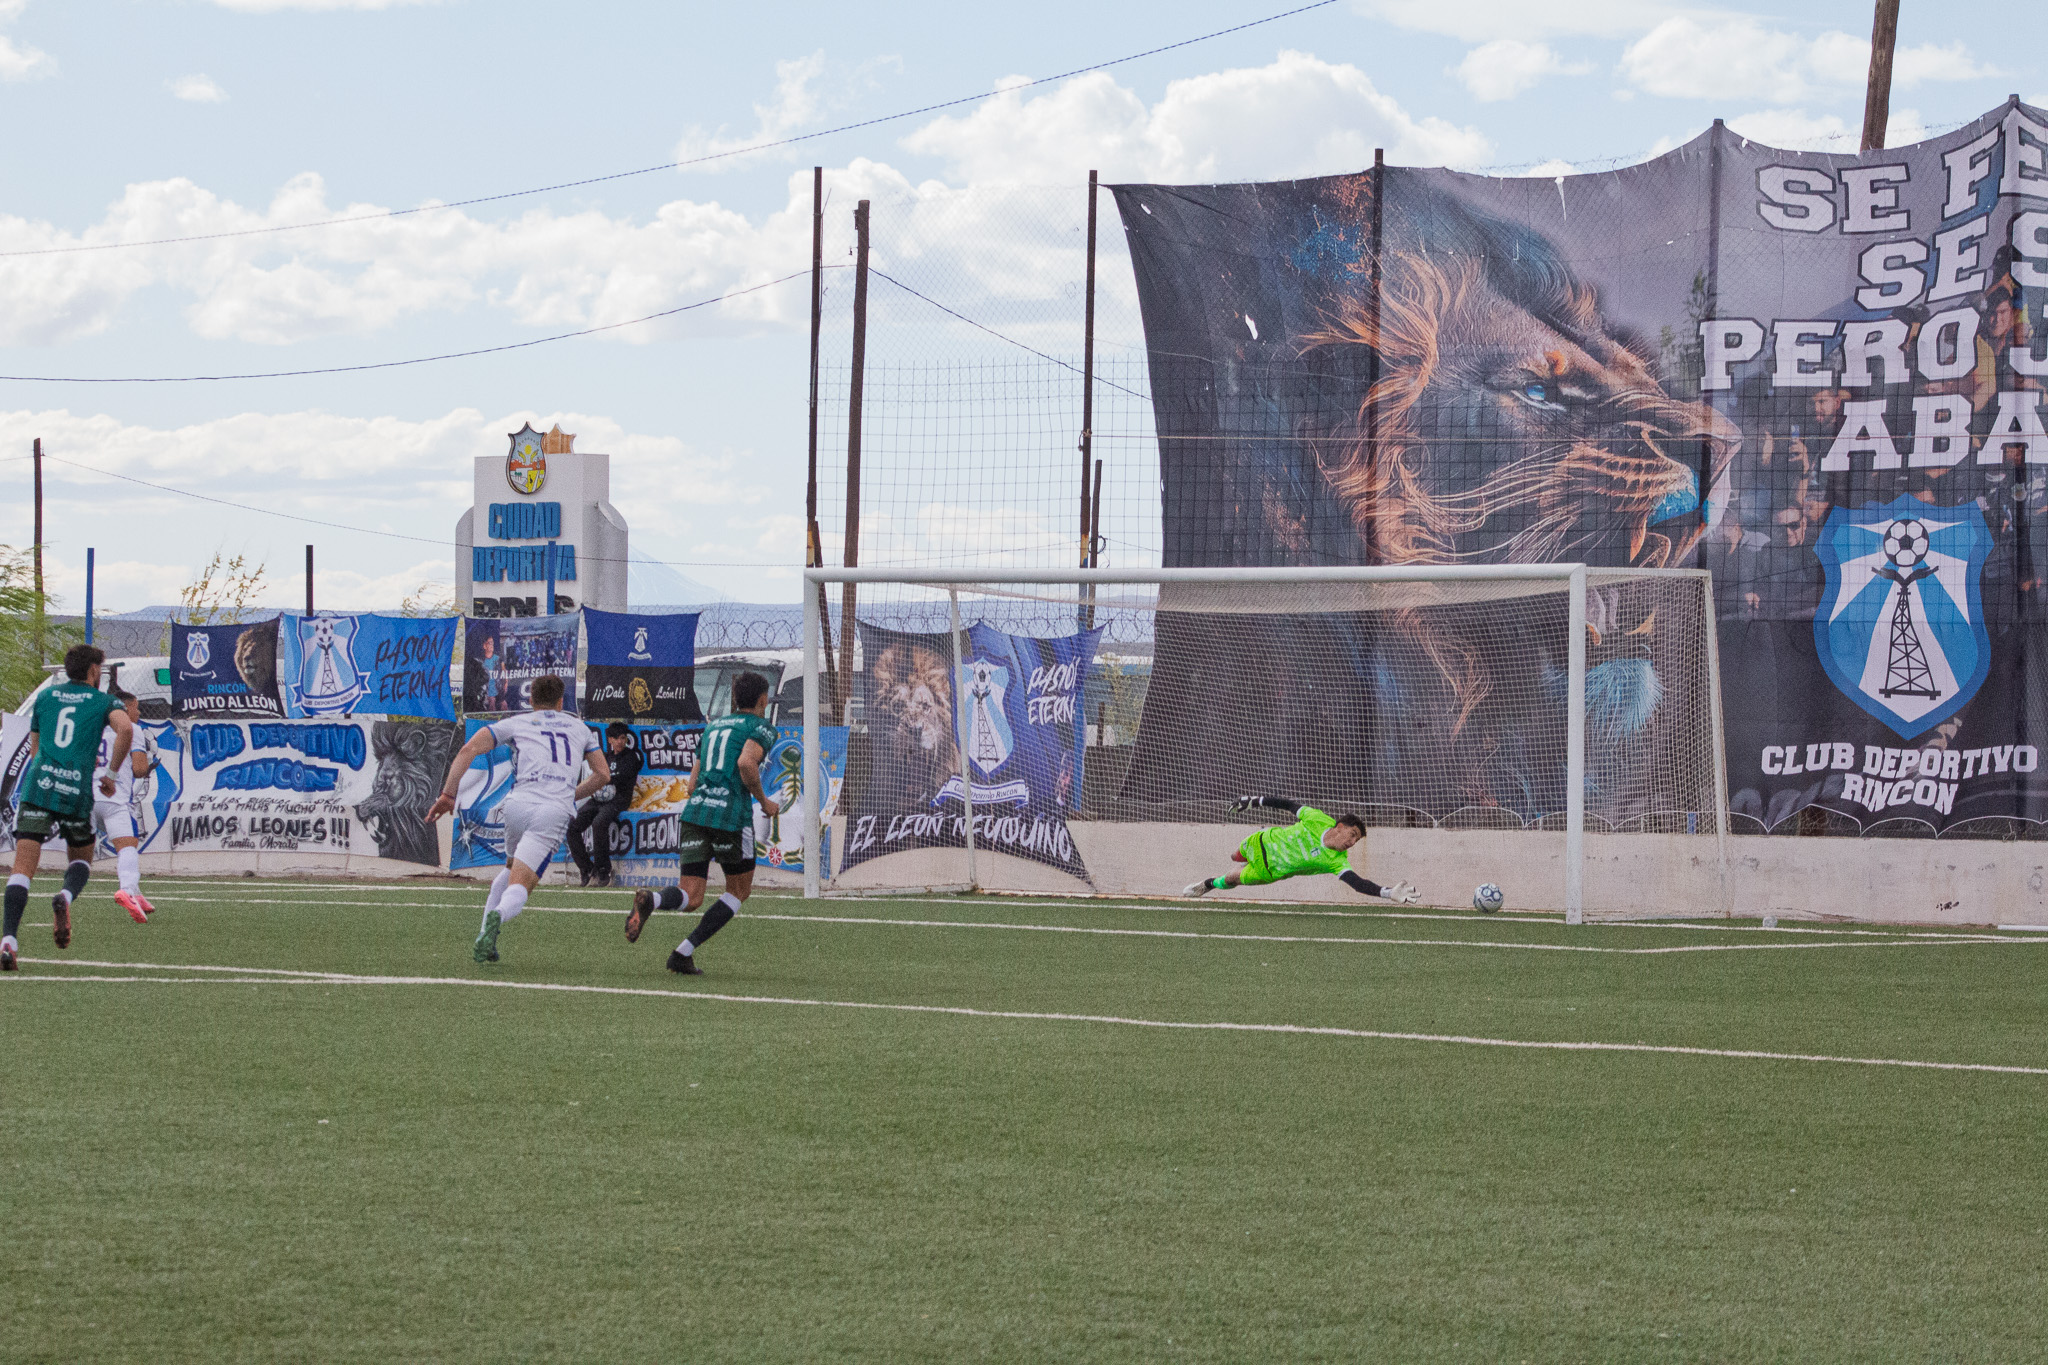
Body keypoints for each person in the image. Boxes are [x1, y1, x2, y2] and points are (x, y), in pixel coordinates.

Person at [425, 673, 610, 964]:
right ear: (561, 702)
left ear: (531, 701)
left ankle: (484, 935)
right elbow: (603, 775)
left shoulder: (518, 723)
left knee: (511, 868)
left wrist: (448, 795)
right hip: (552, 812)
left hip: (517, 805)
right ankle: (498, 915)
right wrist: (569, 794)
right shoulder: (580, 728)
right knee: (521, 885)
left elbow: (467, 749)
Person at [624, 671, 781, 975]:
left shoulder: (714, 727)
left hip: (695, 814)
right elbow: (747, 762)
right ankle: (685, 950)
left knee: (691, 895)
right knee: (738, 892)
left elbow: (693, 782)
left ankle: (653, 902)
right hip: (730, 818)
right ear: (763, 700)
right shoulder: (761, 727)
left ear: (734, 698)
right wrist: (764, 802)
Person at [2, 645, 135, 971]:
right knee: (82, 861)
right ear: (92, 671)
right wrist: (112, 774)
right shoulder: (104, 701)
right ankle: (65, 896)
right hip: (75, 791)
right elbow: (126, 729)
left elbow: (34, 752)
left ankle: (8, 940)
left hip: (39, 788)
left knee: (22, 868)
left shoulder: (46, 698)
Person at [1182, 795, 1418, 903]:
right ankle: (1241, 860)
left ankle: (1208, 884)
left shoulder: (1336, 860)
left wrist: (1387, 893)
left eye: (1357, 841)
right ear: (1340, 826)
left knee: (1232, 879)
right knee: (1235, 856)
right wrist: (1253, 801)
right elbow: (1288, 804)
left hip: (1270, 871)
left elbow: (1357, 883)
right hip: (1262, 840)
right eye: (1353, 835)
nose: (1352, 842)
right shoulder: (1317, 818)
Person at [92, 688, 159, 922]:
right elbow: (139, 769)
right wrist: (150, 765)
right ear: (124, 707)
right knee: (128, 846)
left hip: (87, 798)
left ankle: (137, 894)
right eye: (136, 707)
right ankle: (128, 890)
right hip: (115, 799)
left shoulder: (93, 726)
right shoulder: (133, 730)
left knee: (80, 856)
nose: (138, 712)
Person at [567, 721, 641, 887]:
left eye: (623, 738)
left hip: (618, 800)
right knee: (572, 826)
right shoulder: (604, 758)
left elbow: (616, 777)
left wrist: (603, 780)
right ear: (610, 740)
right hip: (597, 799)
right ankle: (586, 868)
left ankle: (603, 870)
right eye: (617, 738)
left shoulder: (631, 757)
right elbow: (596, 776)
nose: (620, 741)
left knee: (599, 822)